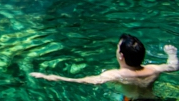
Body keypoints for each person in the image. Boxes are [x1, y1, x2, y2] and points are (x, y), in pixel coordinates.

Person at [31, 34, 179, 100]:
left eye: (117, 47)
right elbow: (174, 66)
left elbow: (87, 81)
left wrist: (52, 77)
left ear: (121, 55)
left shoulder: (115, 74)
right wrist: (171, 53)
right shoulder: (154, 69)